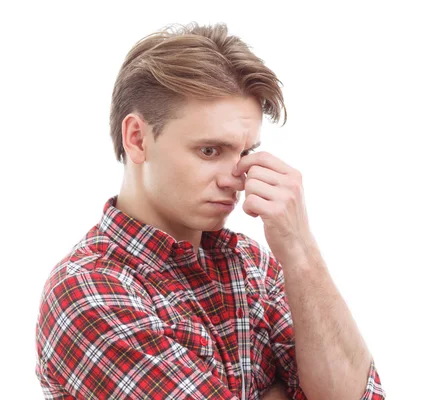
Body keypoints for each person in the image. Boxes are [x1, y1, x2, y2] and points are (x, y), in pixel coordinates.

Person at [34, 21, 386, 399]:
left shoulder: (253, 264)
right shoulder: (88, 291)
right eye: (209, 151)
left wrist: (300, 252)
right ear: (137, 139)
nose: (235, 178)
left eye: (245, 152)